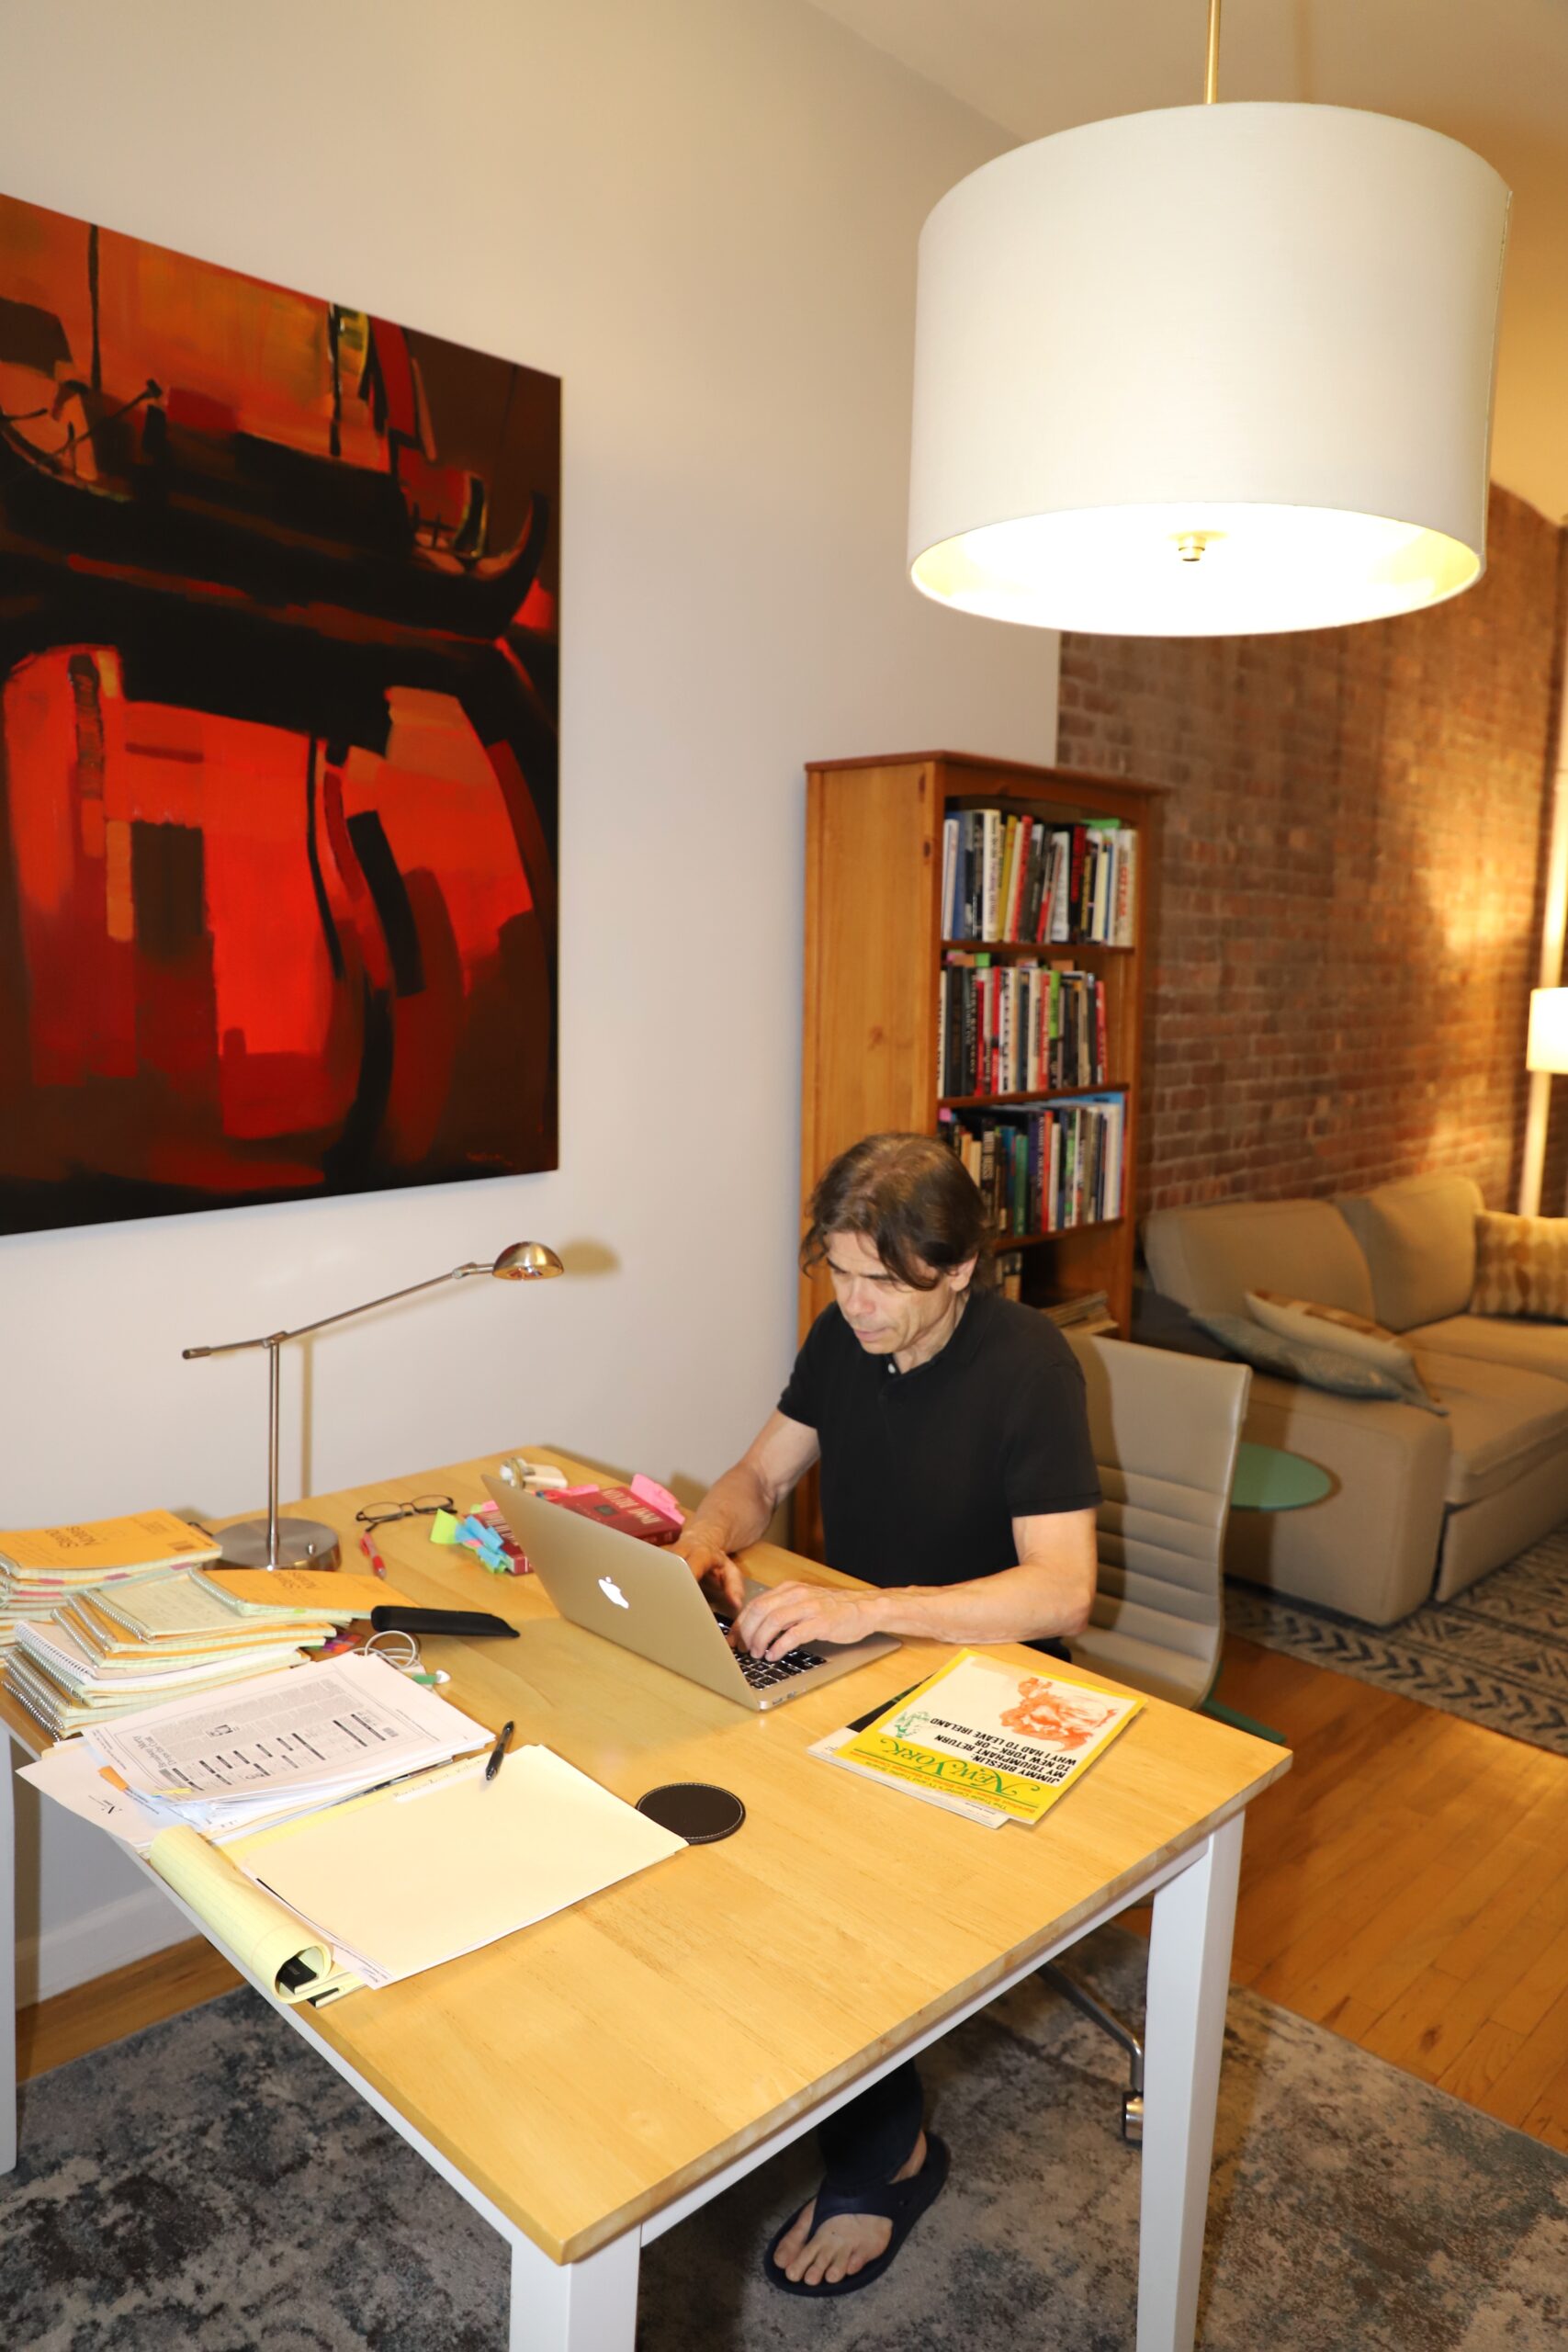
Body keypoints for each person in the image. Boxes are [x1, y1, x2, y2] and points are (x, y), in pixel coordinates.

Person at [671, 1130, 1100, 2299]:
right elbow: (760, 1479)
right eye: (840, 1274)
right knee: (691, 1808)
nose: (854, 1304)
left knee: (826, 1889)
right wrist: (701, 1542)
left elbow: (1062, 1590)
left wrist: (870, 1609)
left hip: (997, 1685)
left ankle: (889, 2154)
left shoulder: (1030, 1365)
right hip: (859, 1662)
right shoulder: (842, 1337)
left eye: (882, 1282)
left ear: (956, 1269)